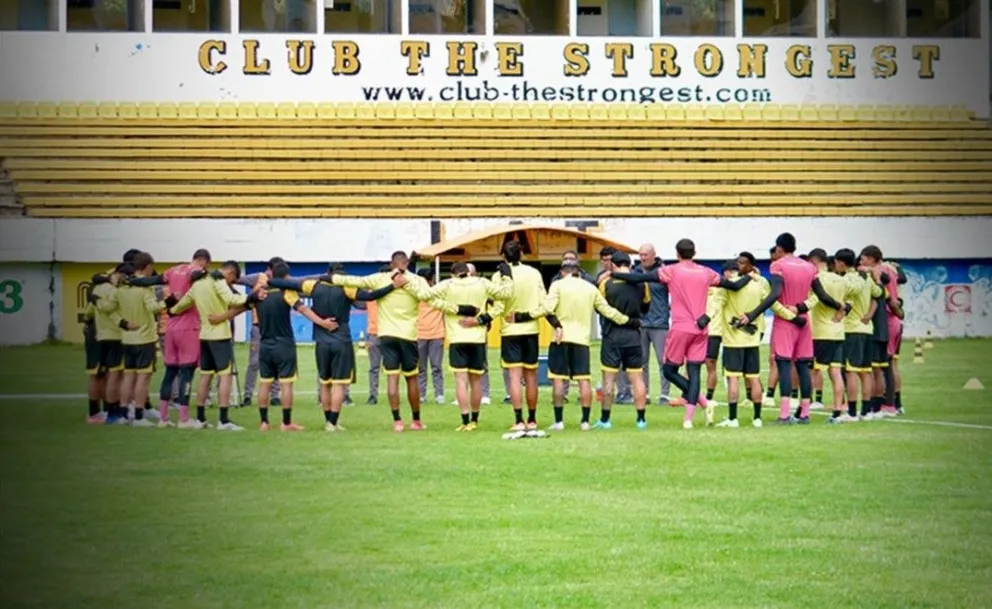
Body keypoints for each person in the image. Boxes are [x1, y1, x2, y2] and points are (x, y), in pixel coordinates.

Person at [603, 239, 753, 429]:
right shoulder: (706, 272)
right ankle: (690, 418)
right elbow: (735, 286)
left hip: (681, 328)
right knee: (695, 372)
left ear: (677, 254)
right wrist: (750, 276)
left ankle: (702, 403)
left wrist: (614, 274)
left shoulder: (671, 271)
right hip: (701, 329)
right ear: (694, 253)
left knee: (669, 370)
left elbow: (639, 278)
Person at [267, 264, 398, 431]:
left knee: (325, 382)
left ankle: (328, 420)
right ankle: (333, 422)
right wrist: (393, 286)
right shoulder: (347, 287)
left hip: (321, 341)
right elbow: (371, 296)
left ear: (328, 273)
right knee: (339, 383)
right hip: (341, 339)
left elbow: (287, 283)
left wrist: (269, 282)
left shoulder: (313, 285)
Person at [739, 233, 847, 425]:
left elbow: (775, 295)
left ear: (779, 249)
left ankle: (784, 415)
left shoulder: (778, 265)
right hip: (804, 322)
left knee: (784, 367)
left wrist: (751, 314)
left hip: (785, 322)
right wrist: (839, 305)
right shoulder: (809, 267)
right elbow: (821, 295)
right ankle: (804, 414)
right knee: (803, 368)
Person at [515, 260, 635, 431]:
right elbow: (608, 311)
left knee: (558, 379)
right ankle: (585, 421)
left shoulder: (558, 285)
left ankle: (559, 421)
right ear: (579, 272)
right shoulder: (590, 288)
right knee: (583, 380)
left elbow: (547, 308)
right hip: (582, 340)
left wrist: (523, 316)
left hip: (560, 338)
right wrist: (628, 321)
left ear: (563, 272)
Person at [329, 251, 440, 432]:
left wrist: (330, 278)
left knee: (392, 378)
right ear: (408, 263)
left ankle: (397, 421)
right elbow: (430, 296)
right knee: (412, 378)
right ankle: (416, 420)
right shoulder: (417, 281)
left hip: (386, 335)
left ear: (391, 263)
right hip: (409, 336)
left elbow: (356, 281)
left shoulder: (380, 278)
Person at [237, 262, 340, 431]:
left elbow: (243, 306)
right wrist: (323, 323)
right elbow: (304, 310)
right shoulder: (286, 291)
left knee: (265, 383)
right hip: (284, 343)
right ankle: (286, 423)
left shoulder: (259, 293)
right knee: (286, 384)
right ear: (286, 277)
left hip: (265, 342)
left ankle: (264, 422)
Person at [169, 261, 261, 431]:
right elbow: (231, 299)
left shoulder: (197, 284)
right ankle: (223, 420)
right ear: (230, 273)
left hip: (204, 336)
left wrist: (172, 310)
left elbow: (183, 303)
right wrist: (252, 297)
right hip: (220, 336)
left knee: (205, 377)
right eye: (232, 281)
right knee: (224, 377)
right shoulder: (218, 282)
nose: (230, 284)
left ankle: (200, 418)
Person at [127, 248, 212, 428]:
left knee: (170, 372)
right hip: (189, 326)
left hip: (170, 327)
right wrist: (203, 275)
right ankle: (183, 419)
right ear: (204, 262)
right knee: (187, 372)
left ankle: (164, 419)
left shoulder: (173, 270)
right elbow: (197, 275)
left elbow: (154, 280)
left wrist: (135, 282)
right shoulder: (195, 270)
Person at [422, 261, 513, 431]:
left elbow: (425, 296)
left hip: (457, 338)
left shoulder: (448, 284)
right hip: (477, 338)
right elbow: (506, 293)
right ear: (469, 273)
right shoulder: (482, 283)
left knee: (461, 381)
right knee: (476, 380)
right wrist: (507, 276)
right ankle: (475, 420)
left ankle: (464, 420)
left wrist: (454, 308)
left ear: (453, 274)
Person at [716, 259, 791, 428]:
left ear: (727, 272)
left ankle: (733, 418)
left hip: (732, 340)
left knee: (733, 379)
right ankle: (757, 418)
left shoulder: (726, 286)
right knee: (754, 378)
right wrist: (792, 316)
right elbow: (774, 304)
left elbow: (715, 306)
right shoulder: (757, 285)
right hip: (752, 340)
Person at [492, 241, 547, 430]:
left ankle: (518, 420)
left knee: (514, 377)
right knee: (531, 376)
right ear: (522, 254)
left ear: (503, 257)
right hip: (531, 329)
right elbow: (544, 303)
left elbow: (497, 304)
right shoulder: (534, 273)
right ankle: (532, 419)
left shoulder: (498, 276)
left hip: (510, 330)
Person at [594, 251, 649, 429]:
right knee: (637, 378)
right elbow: (646, 305)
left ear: (613, 265)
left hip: (612, 335)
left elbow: (600, 307)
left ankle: (605, 420)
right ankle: (641, 420)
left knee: (609, 379)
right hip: (633, 334)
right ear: (630, 264)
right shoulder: (641, 282)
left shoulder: (606, 283)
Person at [116, 252, 167, 427]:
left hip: (127, 338)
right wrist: (168, 302)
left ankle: (123, 414)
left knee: (128, 376)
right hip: (144, 338)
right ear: (147, 266)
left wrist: (122, 323)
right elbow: (153, 308)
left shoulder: (122, 288)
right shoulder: (144, 288)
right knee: (143, 378)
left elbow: (112, 309)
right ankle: (139, 415)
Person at [801, 250, 851, 423]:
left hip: (819, 333)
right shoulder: (840, 279)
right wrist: (842, 312)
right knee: (835, 372)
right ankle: (837, 411)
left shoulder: (816, 280)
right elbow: (850, 302)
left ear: (813, 262)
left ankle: (803, 411)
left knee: (809, 372)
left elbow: (814, 300)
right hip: (838, 331)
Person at [831, 249, 880, 421]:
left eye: (836, 262)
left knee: (851, 372)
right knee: (866, 371)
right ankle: (867, 412)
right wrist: (870, 314)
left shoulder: (845, 280)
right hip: (867, 329)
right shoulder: (864, 278)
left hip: (852, 329)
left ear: (841, 263)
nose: (835, 266)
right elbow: (878, 294)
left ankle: (851, 413)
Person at [88, 263, 137, 425]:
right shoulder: (118, 292)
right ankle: (112, 413)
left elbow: (89, 312)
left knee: (99, 374)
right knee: (115, 375)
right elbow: (113, 310)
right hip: (117, 337)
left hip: (100, 336)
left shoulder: (98, 288)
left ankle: (96, 413)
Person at [859, 246, 904, 418]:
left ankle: (888, 405)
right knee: (888, 364)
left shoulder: (879, 272)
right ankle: (892, 404)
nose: (861, 262)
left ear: (871, 258)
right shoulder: (890, 270)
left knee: (884, 366)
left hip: (886, 319)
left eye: (863, 258)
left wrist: (868, 270)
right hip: (892, 320)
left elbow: (886, 295)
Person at [633, 243, 672, 405]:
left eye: (645, 255)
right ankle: (645, 393)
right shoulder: (635, 272)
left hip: (659, 323)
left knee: (663, 361)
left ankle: (664, 394)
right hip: (641, 323)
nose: (642, 258)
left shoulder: (664, 272)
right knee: (642, 361)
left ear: (653, 255)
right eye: (640, 255)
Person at [416, 268, 446, 405]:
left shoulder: (439, 293)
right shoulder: (415, 295)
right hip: (419, 334)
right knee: (422, 368)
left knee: (436, 367)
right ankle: (421, 394)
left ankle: (439, 394)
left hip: (436, 334)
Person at [466, 263, 493, 405]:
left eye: (471, 273)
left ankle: (485, 393)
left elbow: (494, 302)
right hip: (461, 329)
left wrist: (487, 319)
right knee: (462, 364)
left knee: (482, 362)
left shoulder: (484, 287)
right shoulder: (458, 288)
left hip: (479, 329)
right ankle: (463, 394)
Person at [703, 264, 730, 407]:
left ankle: (709, 396)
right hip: (698, 330)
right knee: (690, 364)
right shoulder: (698, 288)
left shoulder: (725, 290)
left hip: (715, 331)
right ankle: (688, 395)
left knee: (710, 364)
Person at [82, 298, 107, 423]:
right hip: (100, 335)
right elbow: (88, 314)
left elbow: (87, 315)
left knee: (106, 374)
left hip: (101, 334)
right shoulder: (101, 291)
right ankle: (94, 412)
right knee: (97, 374)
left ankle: (104, 411)